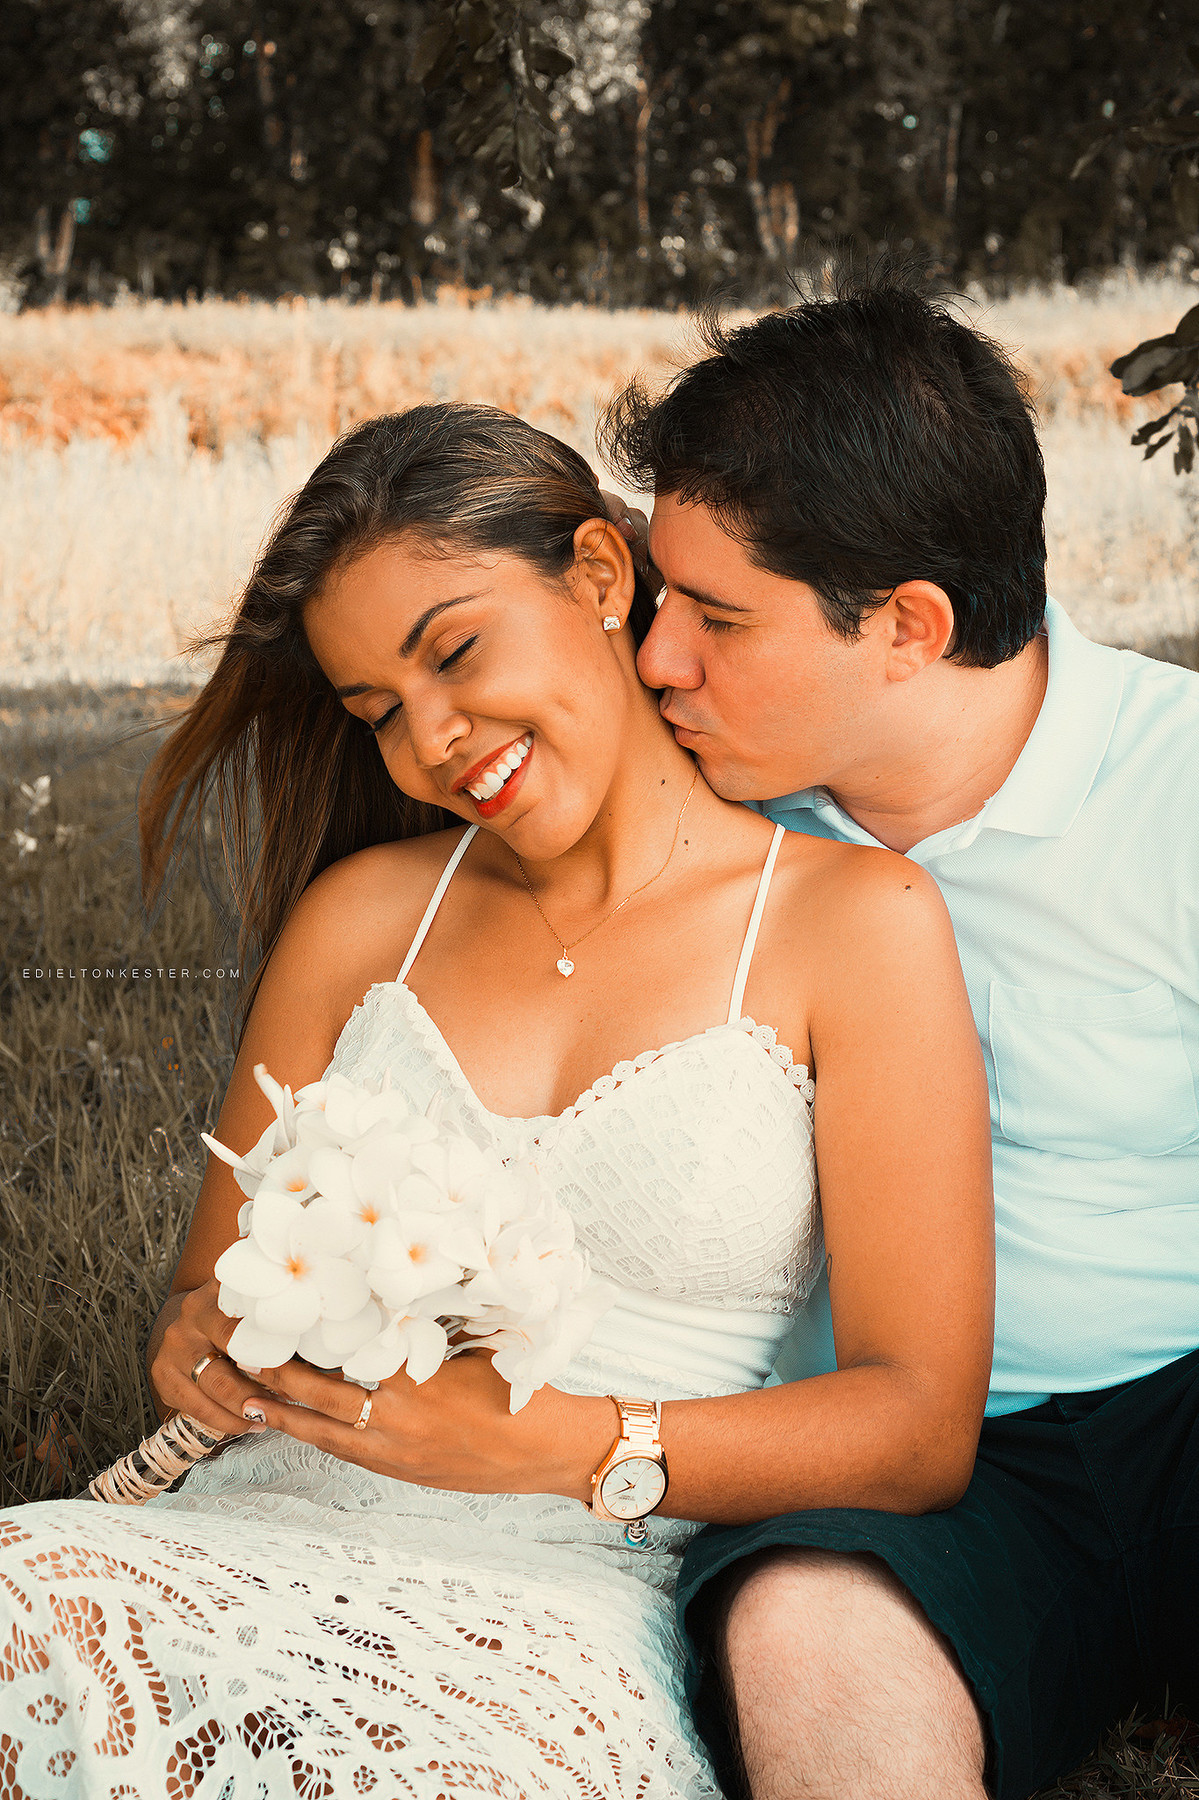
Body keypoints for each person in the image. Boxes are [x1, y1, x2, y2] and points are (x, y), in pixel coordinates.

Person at [0, 403, 993, 1798]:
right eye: (377, 713)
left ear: (597, 575)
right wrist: (195, 1350)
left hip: (566, 1592)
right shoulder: (361, 921)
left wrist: (558, 1446)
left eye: (455, 653)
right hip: (255, 1526)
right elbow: (201, 1300)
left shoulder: (853, 923)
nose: (435, 742)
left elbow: (916, 1427)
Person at [599, 262, 1199, 1800]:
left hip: (1183, 1390)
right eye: (662, 601)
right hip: (896, 1471)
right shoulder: (691, 828)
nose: (658, 658)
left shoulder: (1180, 791)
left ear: (911, 627)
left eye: (718, 618)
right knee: (808, 1631)